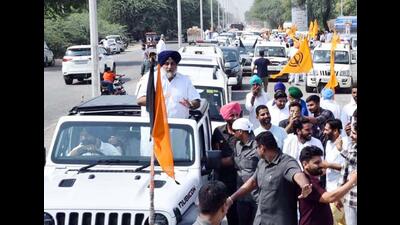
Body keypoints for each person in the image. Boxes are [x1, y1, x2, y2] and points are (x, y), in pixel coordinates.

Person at [227, 131, 312, 225]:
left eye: (256, 147)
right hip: (261, 219)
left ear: (262, 148)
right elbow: (252, 182)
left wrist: (304, 185)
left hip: (280, 221)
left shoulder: (286, 162)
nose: (255, 150)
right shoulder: (262, 163)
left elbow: (297, 174)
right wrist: (231, 198)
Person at [298, 145, 357, 225]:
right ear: (305, 164)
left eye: (321, 162)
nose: (321, 165)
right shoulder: (307, 181)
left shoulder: (314, 179)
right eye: (316, 163)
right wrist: (351, 182)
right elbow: (329, 197)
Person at [137, 50, 201, 119]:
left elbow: (196, 101)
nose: (169, 67)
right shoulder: (150, 78)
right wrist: (158, 99)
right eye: (166, 64)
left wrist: (190, 105)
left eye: (172, 64)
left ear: (176, 65)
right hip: (155, 126)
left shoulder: (185, 80)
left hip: (179, 127)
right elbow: (140, 100)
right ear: (161, 65)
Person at [211, 102, 242, 225]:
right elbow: (215, 155)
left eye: (237, 114)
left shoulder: (244, 131)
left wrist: (232, 160)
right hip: (223, 179)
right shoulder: (219, 132)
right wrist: (225, 161)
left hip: (240, 179)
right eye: (232, 115)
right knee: (220, 210)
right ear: (225, 117)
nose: (235, 117)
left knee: (238, 214)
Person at [322, 122, 358, 225]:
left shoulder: (345, 143)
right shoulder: (352, 146)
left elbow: (350, 162)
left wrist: (341, 150)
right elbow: (345, 171)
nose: (351, 135)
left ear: (335, 130)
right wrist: (338, 195)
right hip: (350, 196)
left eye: (354, 133)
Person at [231, 118, 259, 225]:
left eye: (234, 131)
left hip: (255, 196)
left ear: (241, 131)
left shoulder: (257, 147)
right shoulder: (237, 145)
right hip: (241, 195)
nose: (233, 134)